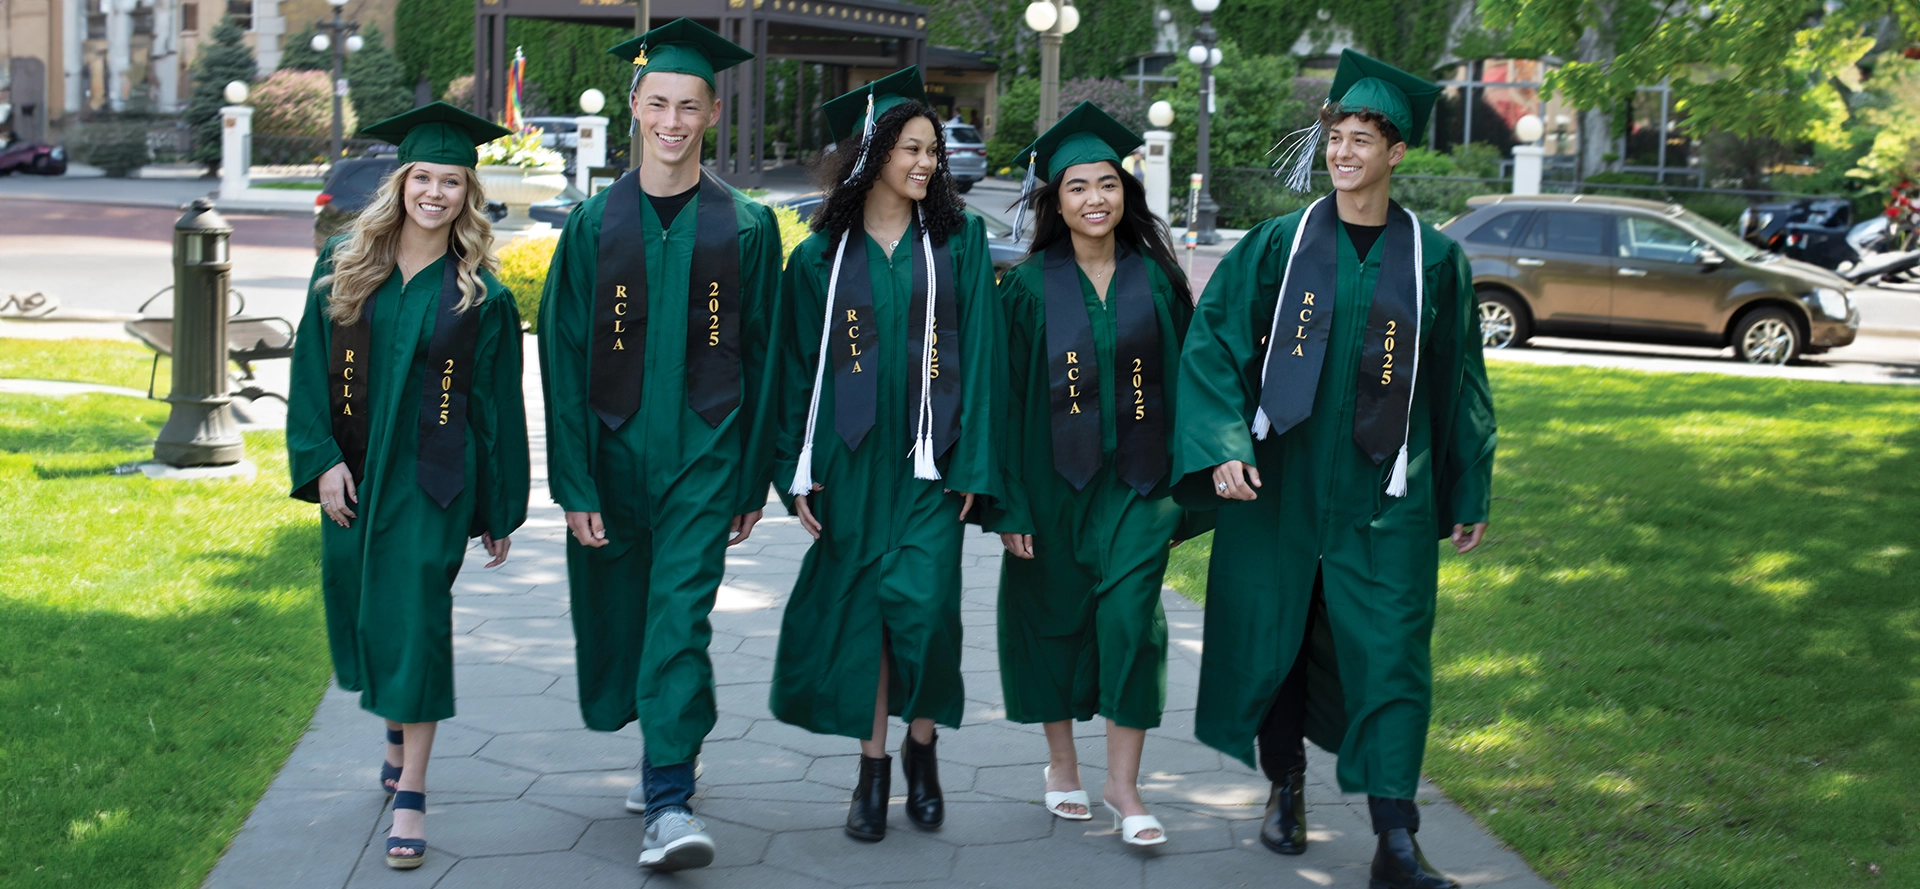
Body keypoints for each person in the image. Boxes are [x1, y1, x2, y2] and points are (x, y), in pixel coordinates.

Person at [1171, 50, 1496, 889]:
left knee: (1393, 652)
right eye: (1337, 138)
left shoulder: (1435, 261)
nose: (1345, 153)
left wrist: (1468, 484)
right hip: (1281, 483)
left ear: (1395, 154)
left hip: (1385, 496)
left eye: (1363, 140)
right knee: (1278, 634)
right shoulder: (1280, 245)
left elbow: (1460, 380)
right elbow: (1212, 344)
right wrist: (1224, 444)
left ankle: (1395, 835)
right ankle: (1286, 784)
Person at [536, 18, 783, 873]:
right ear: (636, 108)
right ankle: (666, 746)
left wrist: (753, 476)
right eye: (659, 103)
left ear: (711, 112)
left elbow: (764, 356)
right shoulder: (591, 225)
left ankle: (670, 798)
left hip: (705, 459)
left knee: (680, 618)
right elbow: (562, 361)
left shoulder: (746, 227)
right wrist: (572, 483)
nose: (673, 121)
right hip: (609, 454)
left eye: (690, 105)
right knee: (624, 621)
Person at [286, 102, 530, 872]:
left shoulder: (481, 294)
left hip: (433, 484)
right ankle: (396, 733)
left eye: (450, 181)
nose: (435, 192)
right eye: (423, 176)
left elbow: (496, 410)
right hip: (354, 477)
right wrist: (323, 457)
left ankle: (413, 790)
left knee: (418, 617)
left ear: (467, 194)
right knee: (362, 606)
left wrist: (500, 506)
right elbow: (304, 376)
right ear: (401, 183)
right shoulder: (342, 270)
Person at [769, 66, 1001, 842]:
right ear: (872, 154)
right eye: (912, 148)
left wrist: (976, 463)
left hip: (931, 462)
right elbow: (795, 373)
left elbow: (988, 355)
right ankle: (871, 772)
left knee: (927, 612)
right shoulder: (817, 259)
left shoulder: (958, 243)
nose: (927, 163)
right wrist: (794, 475)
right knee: (864, 614)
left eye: (932, 150)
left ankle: (922, 747)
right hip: (849, 462)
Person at [985, 101, 1209, 847]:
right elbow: (1001, 403)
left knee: (1128, 623)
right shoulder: (1021, 291)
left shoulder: (1159, 282)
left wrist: (1189, 490)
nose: (1095, 199)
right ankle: (1060, 765)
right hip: (1049, 489)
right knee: (1050, 621)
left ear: (1126, 192)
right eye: (1077, 186)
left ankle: (1124, 781)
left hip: (1138, 488)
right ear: (1055, 200)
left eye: (1107, 184)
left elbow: (1194, 385)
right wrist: (1008, 503)